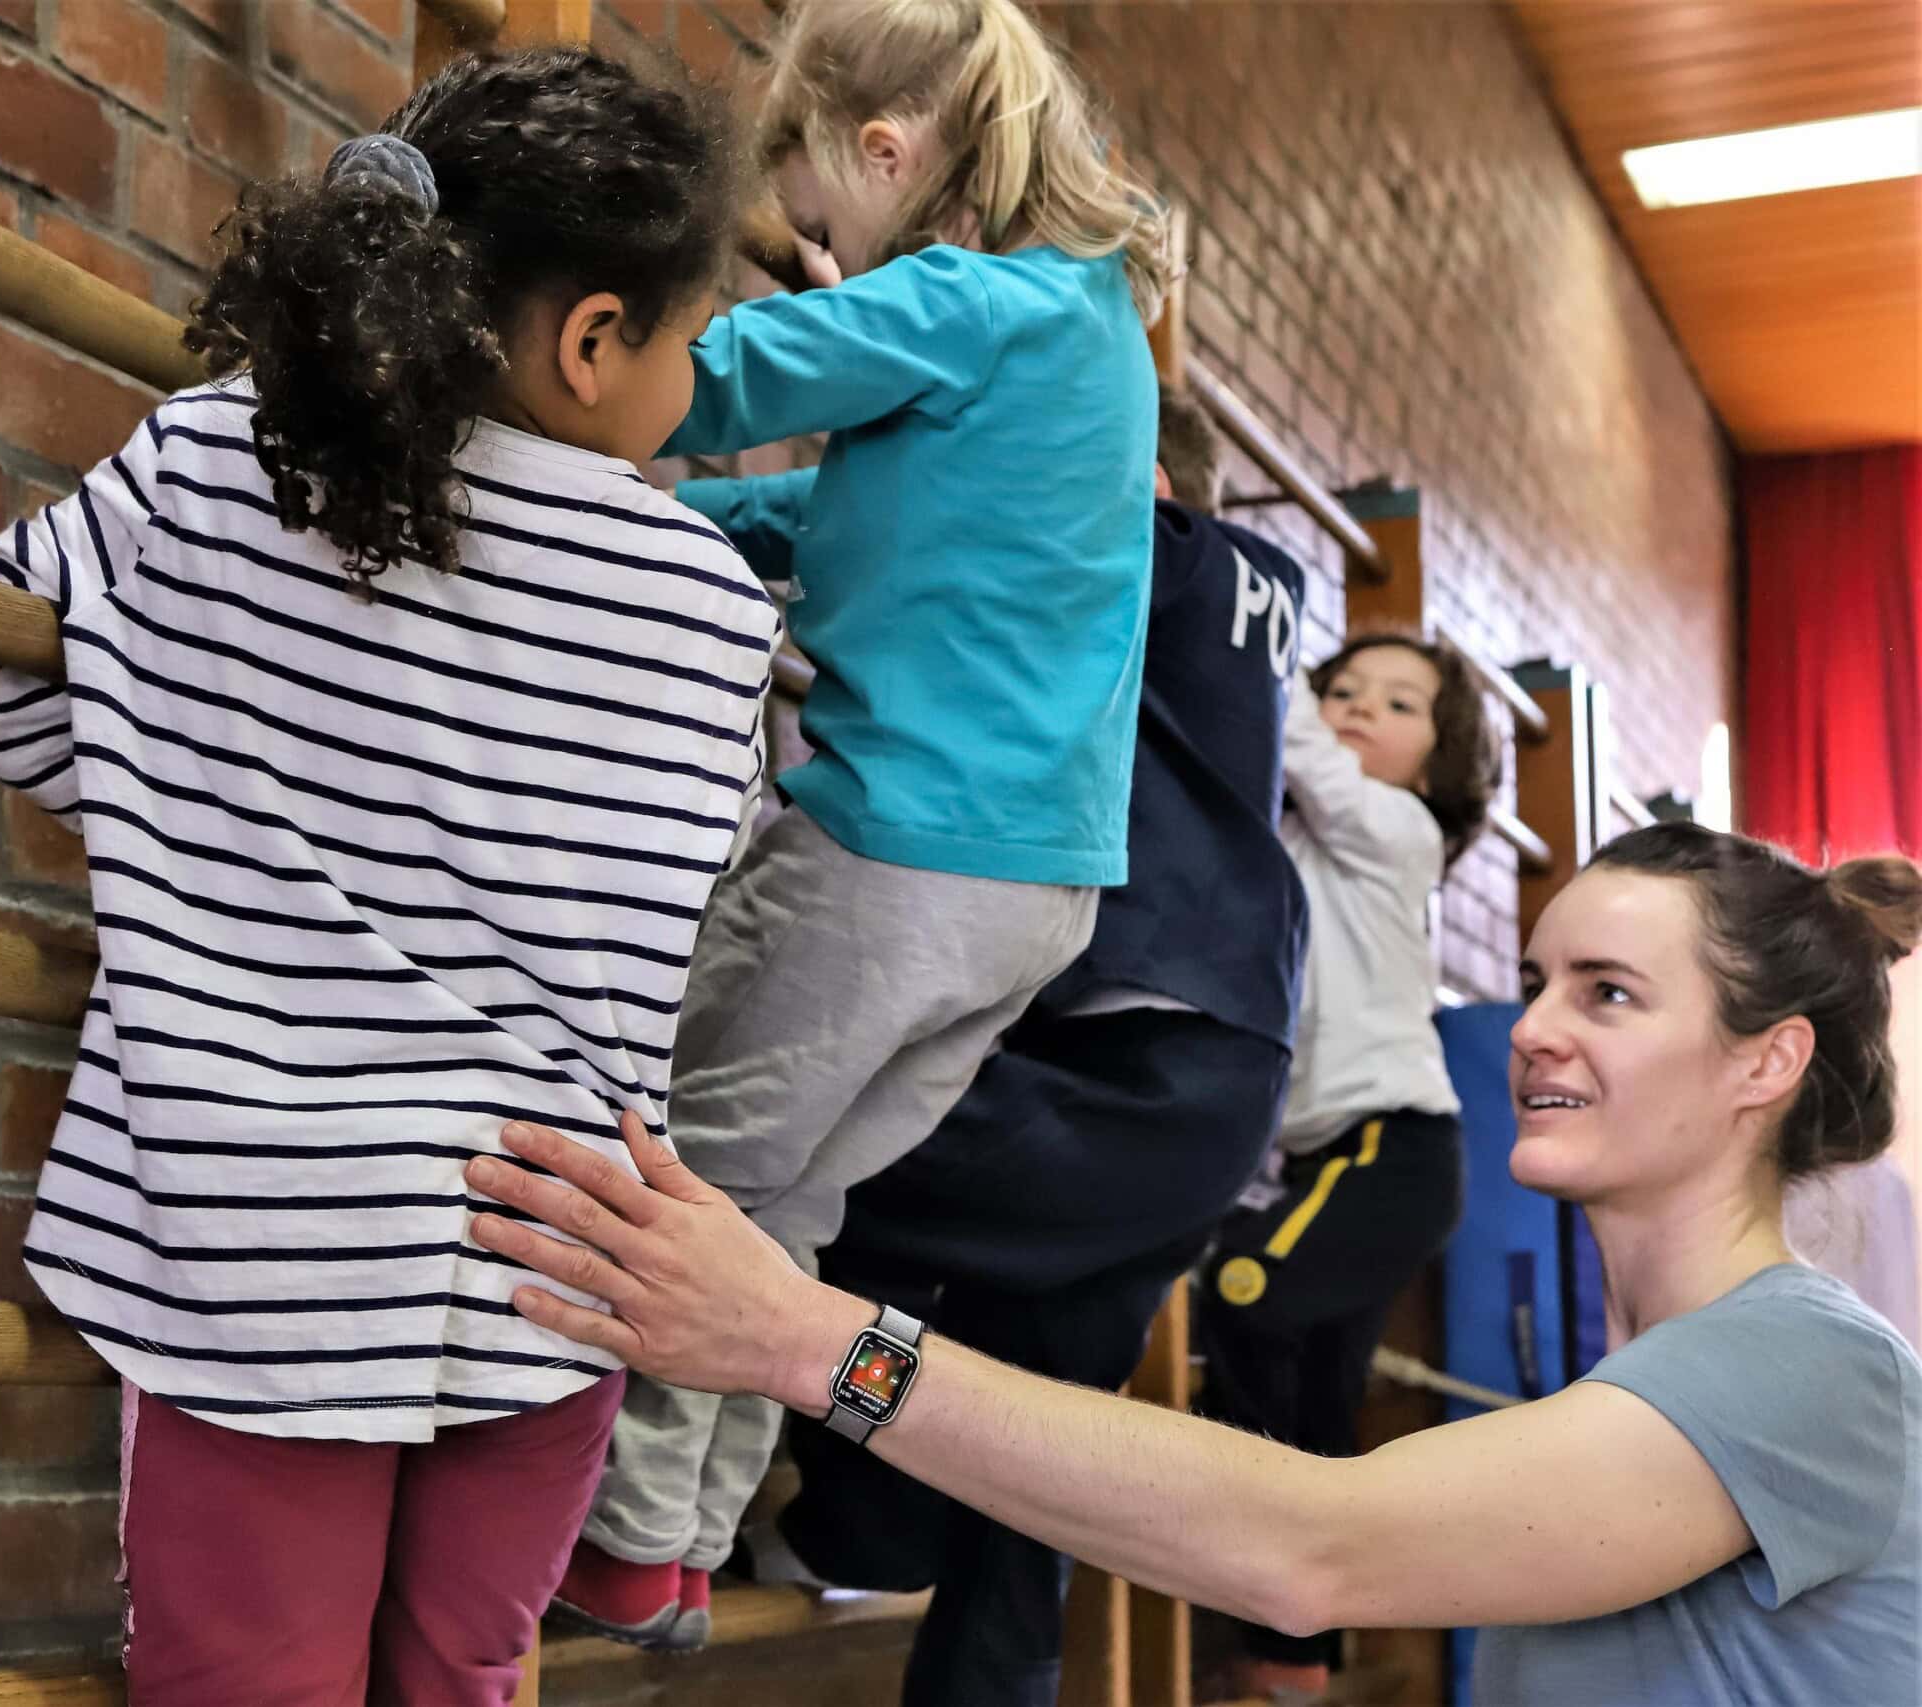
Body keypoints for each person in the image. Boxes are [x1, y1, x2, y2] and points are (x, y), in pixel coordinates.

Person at [0, 50, 770, 1707]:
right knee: (465, 1672)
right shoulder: (712, 601)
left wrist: (189, 804)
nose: (700, 370)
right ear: (595, 343)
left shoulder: (214, 461)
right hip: (560, 1264)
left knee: (252, 1682)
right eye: (697, 335)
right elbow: (703, 852)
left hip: (265, 1250)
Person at [471, 824, 1922, 1705]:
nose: (1537, 1024)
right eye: (1538, 978)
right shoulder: (1669, 1381)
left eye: (1608, 992)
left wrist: (802, 1337)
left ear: (1766, 1059)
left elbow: (1311, 1545)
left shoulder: (1808, 1362)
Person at [556, 0, 1173, 1648]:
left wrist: (563, 351)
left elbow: (721, 375)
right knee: (793, 1210)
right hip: (1032, 891)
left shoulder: (963, 302)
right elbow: (859, 510)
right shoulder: (1087, 325)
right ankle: (680, 1544)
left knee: (684, 1168)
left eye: (821, 219)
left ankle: (620, 1543)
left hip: (897, 858)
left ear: (888, 155)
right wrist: (720, 521)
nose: (823, 252)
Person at [750, 392, 1312, 1707]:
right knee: (1030, 1446)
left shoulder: (1161, 547)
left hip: (1141, 1064)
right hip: (1203, 1073)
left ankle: (850, 1515)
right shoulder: (1238, 599)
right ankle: (884, 1538)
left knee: (810, 1164)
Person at [1191, 629, 1499, 1699]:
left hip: (1391, 1150)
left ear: (1438, 758)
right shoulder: (1299, 846)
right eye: (1342, 688)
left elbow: (1304, 755)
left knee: (1238, 1293)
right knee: (1321, 1402)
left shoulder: (1401, 831)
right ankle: (1295, 1658)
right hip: (1335, 1157)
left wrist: (1267, 658)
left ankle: (1232, 1545)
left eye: (1398, 704)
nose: (1359, 706)